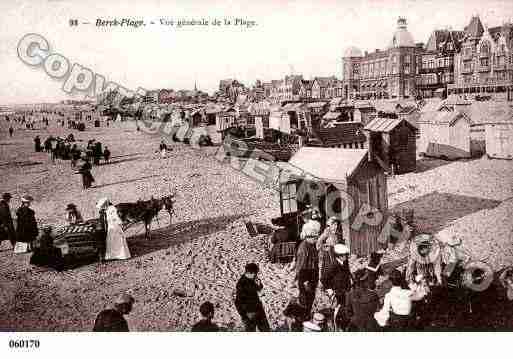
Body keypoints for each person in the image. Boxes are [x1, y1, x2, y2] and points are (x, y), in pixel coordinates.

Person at [321, 244, 351, 329]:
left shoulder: (345, 263)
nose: (347, 257)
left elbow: (347, 275)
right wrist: (329, 290)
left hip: (345, 290)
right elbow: (323, 278)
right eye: (345, 255)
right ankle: (336, 325)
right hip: (337, 292)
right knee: (338, 309)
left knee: (345, 309)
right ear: (340, 256)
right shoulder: (334, 265)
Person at [234, 262, 270, 332]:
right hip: (249, 313)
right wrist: (244, 316)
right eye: (255, 273)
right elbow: (237, 302)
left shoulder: (253, 279)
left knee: (266, 330)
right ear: (249, 272)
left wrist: (259, 285)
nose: (256, 275)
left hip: (258, 309)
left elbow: (259, 289)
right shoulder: (241, 284)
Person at [295, 226, 320, 316]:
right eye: (315, 238)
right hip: (306, 276)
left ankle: (306, 313)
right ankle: (303, 316)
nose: (316, 239)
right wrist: (303, 280)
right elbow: (300, 265)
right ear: (309, 237)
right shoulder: (303, 248)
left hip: (312, 275)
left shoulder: (311, 246)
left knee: (310, 297)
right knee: (305, 298)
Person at [317, 216, 343, 280]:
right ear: (330, 225)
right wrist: (325, 248)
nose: (336, 226)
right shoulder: (326, 233)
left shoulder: (337, 233)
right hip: (327, 255)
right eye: (334, 224)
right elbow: (318, 244)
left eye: (336, 224)